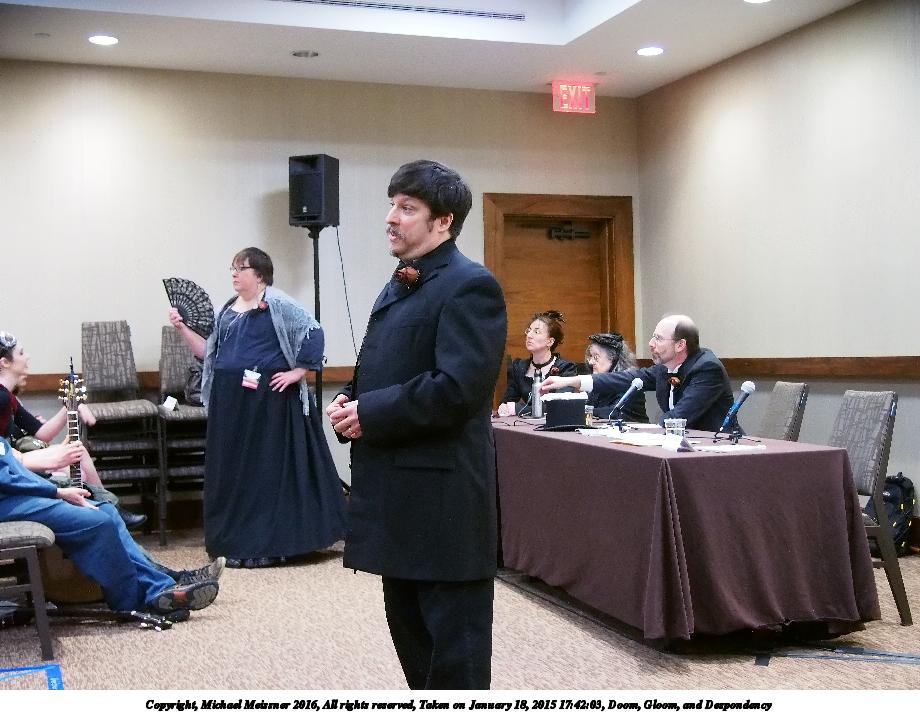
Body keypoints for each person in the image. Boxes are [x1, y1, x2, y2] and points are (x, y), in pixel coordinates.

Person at [326, 160, 507, 690]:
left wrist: (371, 412)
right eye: (393, 205)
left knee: (455, 661)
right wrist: (350, 398)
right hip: (398, 498)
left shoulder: (471, 285)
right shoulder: (403, 283)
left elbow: (458, 388)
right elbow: (390, 365)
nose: (391, 217)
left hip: (443, 505)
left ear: (443, 221)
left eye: (407, 208)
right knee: (416, 648)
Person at [169, 247, 346, 569]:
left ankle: (272, 542)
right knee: (235, 471)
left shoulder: (279, 304)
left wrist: (297, 371)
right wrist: (183, 328)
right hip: (231, 405)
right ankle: (234, 540)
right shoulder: (227, 311)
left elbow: (313, 332)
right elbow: (209, 354)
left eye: (241, 268)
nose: (235, 274)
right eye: (233, 268)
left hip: (268, 405)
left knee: (265, 471)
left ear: (260, 275)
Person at [0, 435, 220, 618]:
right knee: (97, 522)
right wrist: (55, 491)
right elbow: (6, 477)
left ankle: (160, 587)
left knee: (106, 510)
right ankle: (134, 602)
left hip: (17, 493)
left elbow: (13, 462)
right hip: (7, 501)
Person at [0, 330, 146, 528]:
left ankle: (111, 508)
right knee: (72, 461)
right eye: (21, 353)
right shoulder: (2, 398)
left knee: (78, 450)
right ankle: (110, 512)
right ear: (5, 362)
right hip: (10, 466)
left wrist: (71, 406)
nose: (27, 357)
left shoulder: (9, 397)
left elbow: (43, 433)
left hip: (14, 460)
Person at [541, 314, 735, 432]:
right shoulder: (663, 368)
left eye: (658, 338)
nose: (651, 344)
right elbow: (626, 378)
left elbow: (679, 416)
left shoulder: (707, 368)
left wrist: (645, 433)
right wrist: (572, 381)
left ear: (680, 345)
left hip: (716, 451)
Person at [496, 311, 578, 417]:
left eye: (536, 332)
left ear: (550, 342)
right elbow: (507, 403)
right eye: (529, 330)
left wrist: (518, 409)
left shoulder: (566, 368)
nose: (529, 335)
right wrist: (505, 407)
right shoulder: (519, 367)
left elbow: (558, 405)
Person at [584, 332, 648, 423]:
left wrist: (585, 411)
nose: (590, 362)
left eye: (596, 357)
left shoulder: (629, 382)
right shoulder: (596, 384)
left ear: (612, 358)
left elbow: (614, 413)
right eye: (590, 357)